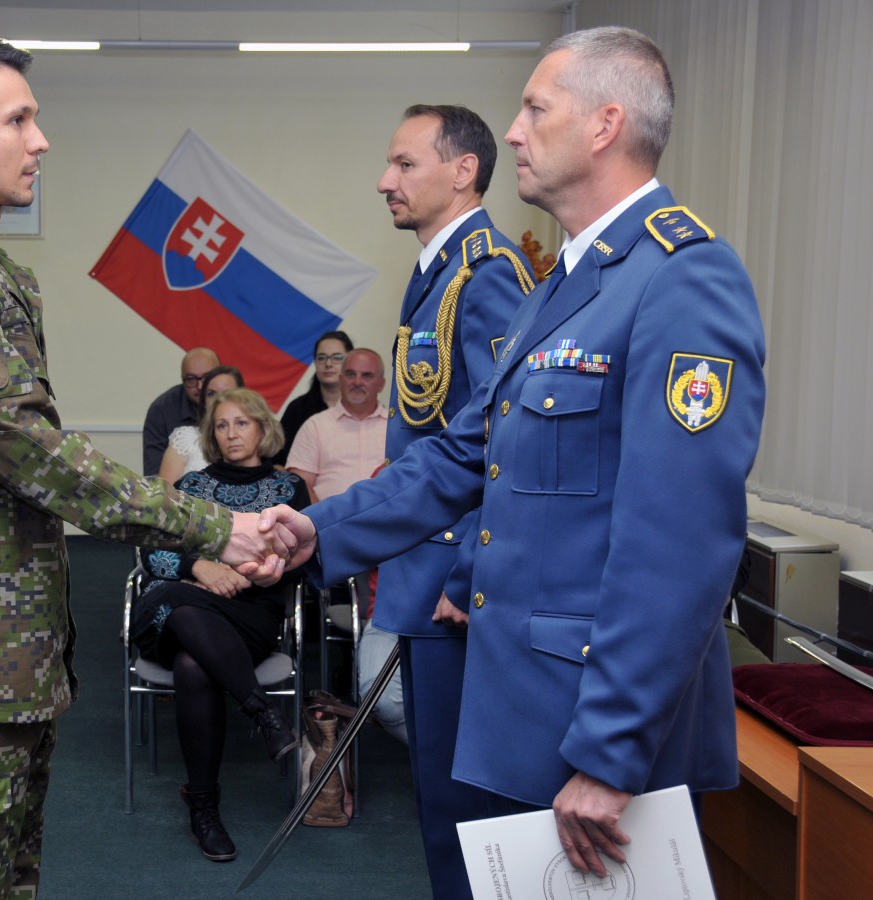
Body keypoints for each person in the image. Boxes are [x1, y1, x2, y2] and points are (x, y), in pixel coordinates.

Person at [247, 26, 766, 884]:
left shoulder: (681, 278)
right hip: (518, 702)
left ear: (603, 124)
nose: (513, 132)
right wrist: (318, 530)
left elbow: (679, 543)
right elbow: (463, 455)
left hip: (594, 721)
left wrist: (611, 750)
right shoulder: (560, 288)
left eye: (534, 109)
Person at [0, 33, 277, 898]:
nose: (40, 140)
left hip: (4, 660)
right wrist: (212, 527)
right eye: (18, 119)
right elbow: (27, 449)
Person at [370, 103, 533, 896]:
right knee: (438, 798)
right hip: (426, 569)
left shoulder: (487, 272)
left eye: (404, 164)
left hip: (456, 586)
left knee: (467, 807)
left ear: (463, 170)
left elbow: (507, 437)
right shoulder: (438, 269)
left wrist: (468, 570)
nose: (384, 181)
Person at [135, 387, 308, 863]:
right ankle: (263, 713)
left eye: (241, 423)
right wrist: (200, 568)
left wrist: (250, 572)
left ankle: (203, 807)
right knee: (180, 604)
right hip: (186, 606)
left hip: (251, 614)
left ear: (263, 428)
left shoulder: (288, 489)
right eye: (221, 425)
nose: (231, 433)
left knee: (193, 665)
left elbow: (301, 558)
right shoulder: (191, 487)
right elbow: (152, 551)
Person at [286, 348, 387, 502]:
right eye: (350, 374)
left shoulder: (396, 428)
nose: (357, 382)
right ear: (340, 380)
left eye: (367, 376)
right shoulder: (315, 426)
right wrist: (324, 516)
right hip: (325, 516)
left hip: (390, 515)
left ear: (381, 384)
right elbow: (300, 485)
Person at [272, 330, 352, 467]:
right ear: (315, 362)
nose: (328, 364)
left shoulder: (363, 408)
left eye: (337, 357)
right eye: (321, 358)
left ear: (350, 362)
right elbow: (277, 462)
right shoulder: (297, 409)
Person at [157, 365, 243, 484]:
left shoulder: (252, 439)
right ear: (204, 401)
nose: (219, 400)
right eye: (212, 394)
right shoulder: (185, 438)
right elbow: (164, 493)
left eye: (227, 394)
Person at [142, 347, 219, 476]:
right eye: (191, 379)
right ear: (183, 380)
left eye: (207, 377)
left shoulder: (238, 405)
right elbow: (154, 476)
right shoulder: (161, 410)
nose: (200, 386)